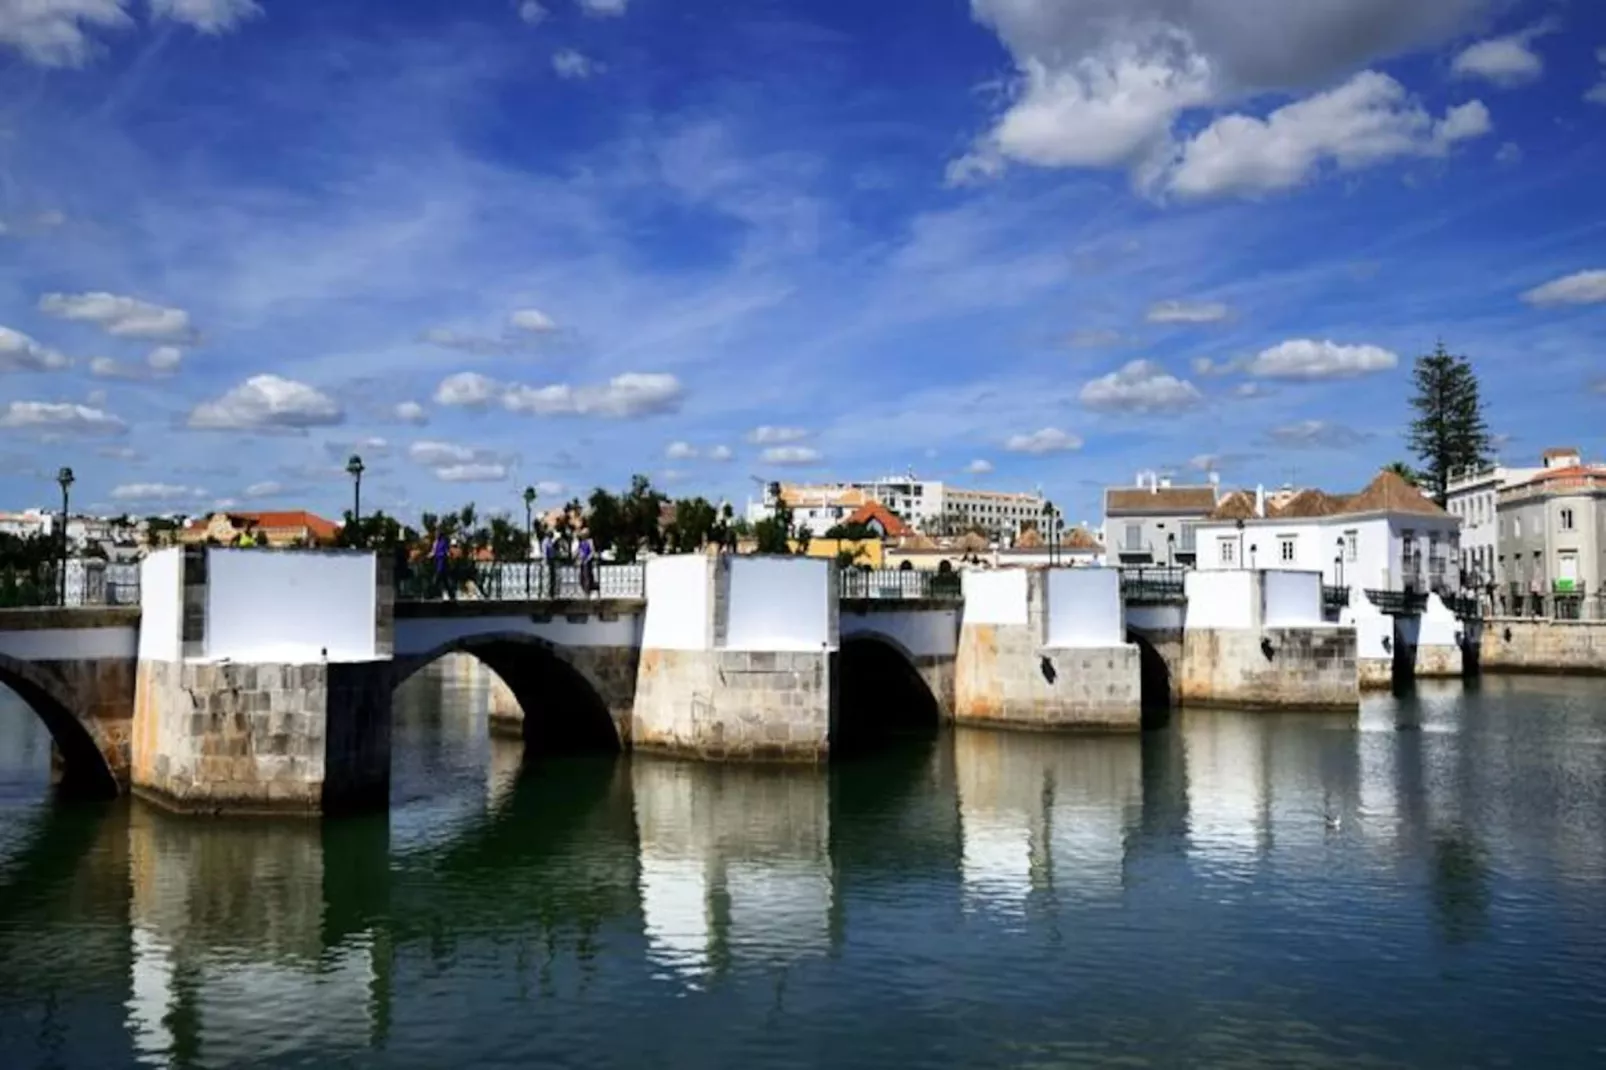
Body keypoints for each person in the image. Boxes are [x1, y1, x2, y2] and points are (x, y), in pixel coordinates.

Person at [431, 528, 452, 601]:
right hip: (437, 562)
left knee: (436, 579)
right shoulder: (435, 542)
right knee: (445, 581)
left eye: (437, 534)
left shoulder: (443, 542)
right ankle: (451, 595)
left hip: (442, 562)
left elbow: (446, 551)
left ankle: (432, 594)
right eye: (436, 534)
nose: (436, 535)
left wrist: (448, 555)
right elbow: (433, 552)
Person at [577, 528, 597, 597]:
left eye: (584, 534)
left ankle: (587, 592)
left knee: (587, 576)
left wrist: (587, 559)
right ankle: (584, 591)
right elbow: (579, 551)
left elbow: (592, 552)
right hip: (581, 561)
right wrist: (579, 558)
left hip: (587, 561)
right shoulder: (581, 542)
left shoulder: (590, 541)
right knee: (581, 577)